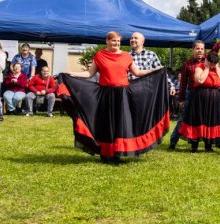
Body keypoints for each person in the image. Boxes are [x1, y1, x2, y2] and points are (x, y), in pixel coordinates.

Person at [58, 31, 168, 164]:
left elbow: (138, 72)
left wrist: (155, 70)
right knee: (106, 125)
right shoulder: (99, 55)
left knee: (120, 124)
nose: (116, 43)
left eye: (118, 41)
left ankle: (117, 153)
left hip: (122, 95)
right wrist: (70, 73)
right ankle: (105, 153)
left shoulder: (126, 56)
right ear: (107, 41)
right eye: (113, 41)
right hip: (105, 95)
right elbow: (89, 73)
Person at [178, 51, 220, 152]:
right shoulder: (199, 67)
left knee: (211, 121)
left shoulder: (216, 68)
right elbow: (199, 80)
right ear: (207, 61)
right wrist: (207, 68)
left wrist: (217, 68)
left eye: (214, 63)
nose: (213, 65)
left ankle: (208, 146)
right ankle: (194, 146)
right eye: (211, 63)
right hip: (200, 98)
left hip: (214, 98)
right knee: (198, 120)